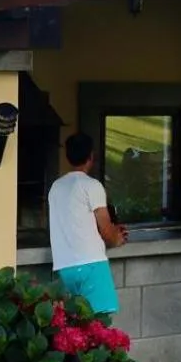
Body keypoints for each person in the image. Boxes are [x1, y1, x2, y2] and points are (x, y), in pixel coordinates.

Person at [48, 132, 127, 315]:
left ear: (68, 156)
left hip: (64, 267)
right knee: (100, 325)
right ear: (91, 156)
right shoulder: (92, 186)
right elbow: (107, 230)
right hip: (91, 264)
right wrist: (118, 239)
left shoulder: (56, 187)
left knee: (75, 327)